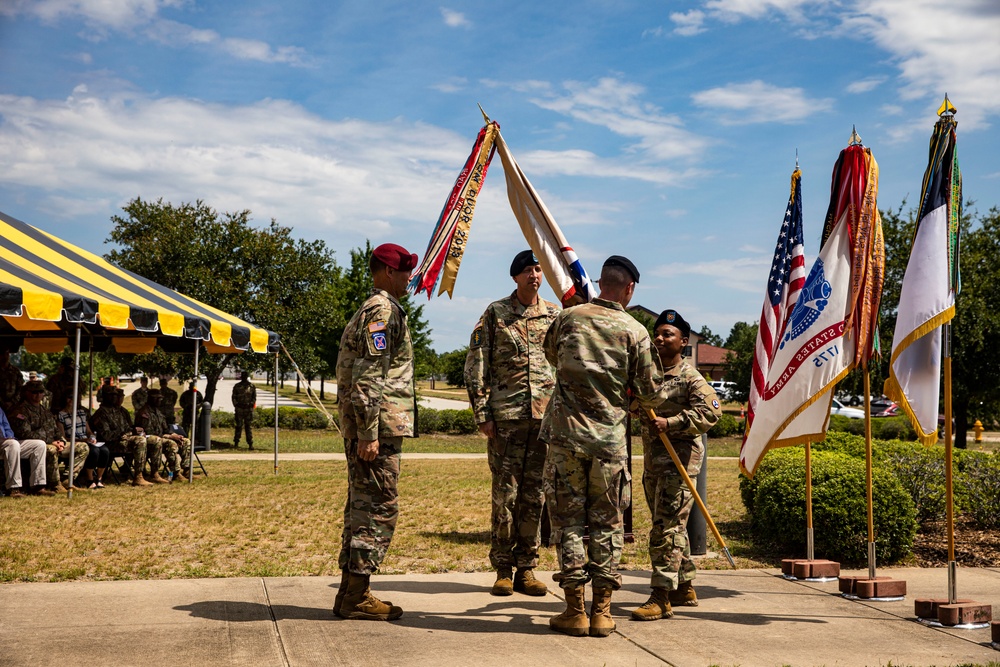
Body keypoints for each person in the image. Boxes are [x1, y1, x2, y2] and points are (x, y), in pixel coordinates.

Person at [541, 255, 666, 639]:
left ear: (600, 282)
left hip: (565, 438)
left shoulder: (566, 318)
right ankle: (602, 613)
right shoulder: (634, 330)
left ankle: (574, 610)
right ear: (629, 289)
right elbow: (650, 392)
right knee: (607, 524)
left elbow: (550, 356)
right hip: (609, 443)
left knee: (570, 522)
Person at [464, 250, 559, 597]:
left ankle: (527, 568)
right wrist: (483, 414)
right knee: (506, 495)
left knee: (534, 496)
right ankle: (503, 568)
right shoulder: (496, 313)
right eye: (527, 271)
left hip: (544, 419)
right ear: (515, 277)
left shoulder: (554, 315)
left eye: (538, 270)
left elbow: (565, 365)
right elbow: (477, 364)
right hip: (506, 419)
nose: (534, 275)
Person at [333, 242, 418, 621]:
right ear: (386, 271)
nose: (409, 276)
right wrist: (369, 433)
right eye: (404, 270)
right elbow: (369, 375)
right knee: (377, 507)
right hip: (376, 429)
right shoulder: (382, 310)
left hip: (375, 426)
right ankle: (357, 595)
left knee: (362, 506)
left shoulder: (376, 308)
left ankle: (351, 592)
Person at [630, 310, 721, 621]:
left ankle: (661, 596)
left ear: (683, 342)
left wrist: (673, 422)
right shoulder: (649, 376)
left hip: (680, 466)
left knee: (666, 530)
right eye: (657, 333)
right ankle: (684, 585)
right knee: (669, 526)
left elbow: (710, 414)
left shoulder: (690, 377)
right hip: (653, 463)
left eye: (667, 334)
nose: (659, 338)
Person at [10, 380, 89, 492]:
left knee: (83, 447)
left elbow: (56, 430)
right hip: (35, 446)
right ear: (27, 393)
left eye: (40, 392)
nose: (38, 395)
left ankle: (68, 480)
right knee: (51, 450)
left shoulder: (44, 410)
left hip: (53, 442)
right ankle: (55, 484)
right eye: (34, 392)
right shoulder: (21, 411)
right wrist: (51, 442)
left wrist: (61, 441)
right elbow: (25, 433)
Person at [89, 386, 154, 487]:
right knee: (139, 442)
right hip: (111, 444)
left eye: (116, 395)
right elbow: (107, 436)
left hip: (124, 440)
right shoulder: (101, 413)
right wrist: (128, 432)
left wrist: (135, 431)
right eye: (112, 395)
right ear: (105, 397)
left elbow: (129, 427)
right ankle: (138, 477)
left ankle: (150, 473)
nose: (115, 398)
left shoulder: (120, 411)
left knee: (148, 440)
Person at [135, 389, 190, 482]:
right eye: (157, 398)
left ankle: (187, 470)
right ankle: (172, 473)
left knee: (185, 441)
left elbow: (165, 429)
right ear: (151, 399)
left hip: (161, 438)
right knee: (171, 443)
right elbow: (149, 433)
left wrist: (174, 435)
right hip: (150, 440)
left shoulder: (158, 412)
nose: (160, 400)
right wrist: (169, 437)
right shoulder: (144, 413)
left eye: (160, 398)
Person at [1, 406, 52, 497]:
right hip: (5, 443)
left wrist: (10, 437)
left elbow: (7, 427)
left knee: (39, 445)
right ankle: (13, 488)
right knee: (12, 445)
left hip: (7, 442)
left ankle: (38, 486)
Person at [56, 395, 105, 489]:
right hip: (73, 442)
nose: (72, 400)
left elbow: (89, 431)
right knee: (94, 451)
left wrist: (92, 437)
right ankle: (89, 480)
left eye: (74, 398)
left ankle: (99, 479)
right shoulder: (60, 415)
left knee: (105, 450)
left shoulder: (81, 413)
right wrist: (83, 440)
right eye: (69, 397)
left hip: (87, 440)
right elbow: (63, 437)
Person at [231, 371, 256, 449]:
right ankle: (236, 442)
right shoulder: (237, 386)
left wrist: (251, 404)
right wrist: (237, 405)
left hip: (248, 409)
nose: (244, 377)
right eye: (243, 376)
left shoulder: (252, 386)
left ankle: (250, 443)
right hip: (239, 409)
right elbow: (233, 397)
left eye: (245, 376)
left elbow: (254, 398)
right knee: (238, 426)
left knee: (248, 427)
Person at [0, 346, 24, 415]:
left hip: (13, 407)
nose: (4, 357)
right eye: (2, 355)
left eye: (6, 354)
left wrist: (12, 402)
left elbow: (20, 389)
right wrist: (2, 402)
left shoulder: (16, 371)